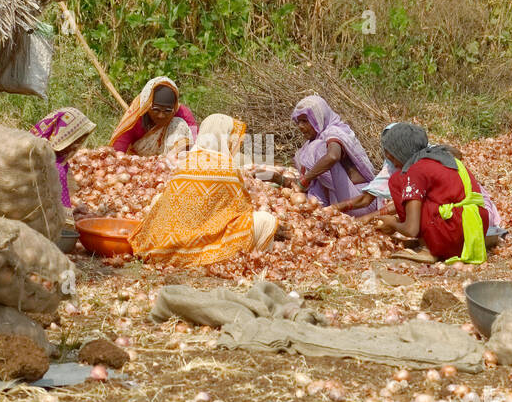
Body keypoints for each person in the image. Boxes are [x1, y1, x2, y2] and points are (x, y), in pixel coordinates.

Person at [129, 115, 278, 267]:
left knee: (158, 199)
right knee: (266, 221)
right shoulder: (227, 167)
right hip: (199, 243)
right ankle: (216, 254)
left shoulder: (185, 161)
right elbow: (241, 210)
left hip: (163, 246)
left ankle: (168, 246)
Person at [370, 122, 490, 263]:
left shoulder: (416, 170)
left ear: (402, 152)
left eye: (393, 158)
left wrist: (392, 223)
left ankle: (428, 249)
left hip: (454, 231)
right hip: (476, 229)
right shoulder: (442, 157)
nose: (394, 164)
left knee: (396, 180)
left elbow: (411, 229)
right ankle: (435, 242)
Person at [291, 96, 379, 216]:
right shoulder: (312, 142)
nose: (300, 126)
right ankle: (321, 209)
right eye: (299, 122)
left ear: (319, 118)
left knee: (317, 149)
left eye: (305, 121)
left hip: (360, 202)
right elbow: (303, 182)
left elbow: (333, 156)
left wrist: (305, 179)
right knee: (304, 154)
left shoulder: (334, 132)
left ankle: (323, 207)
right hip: (338, 203)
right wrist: (278, 179)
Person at [110, 77, 199, 156]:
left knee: (178, 124)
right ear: (147, 106)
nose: (161, 115)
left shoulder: (182, 113)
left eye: (167, 111)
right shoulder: (138, 116)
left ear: (174, 107)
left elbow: (195, 140)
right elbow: (120, 147)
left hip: (173, 159)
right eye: (156, 109)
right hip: (141, 161)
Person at [31, 107, 96, 213]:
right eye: (76, 141)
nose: (77, 146)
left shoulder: (33, 152)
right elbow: (60, 215)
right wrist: (71, 215)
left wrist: (73, 211)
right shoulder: (55, 167)